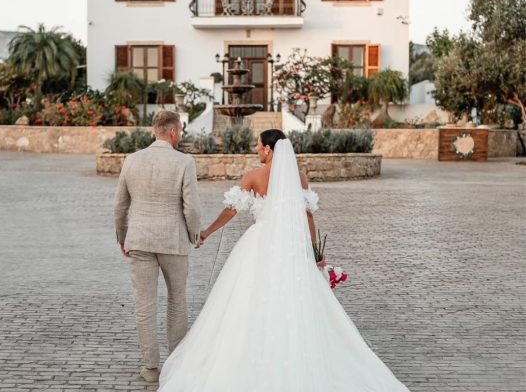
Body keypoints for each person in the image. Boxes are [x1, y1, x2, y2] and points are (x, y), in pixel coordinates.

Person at [157, 129, 410, 391]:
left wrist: (208, 232)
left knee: (247, 300)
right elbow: (308, 216)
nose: (256, 150)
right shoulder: (299, 177)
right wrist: (316, 252)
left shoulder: (254, 177)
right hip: (292, 247)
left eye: (258, 145)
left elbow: (232, 210)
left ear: (268, 149)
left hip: (259, 244)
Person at [114, 110, 201, 382]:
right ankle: (176, 363)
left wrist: (122, 237)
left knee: (144, 304)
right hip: (172, 241)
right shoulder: (184, 162)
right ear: (174, 131)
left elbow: (120, 206)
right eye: (181, 130)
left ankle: (151, 368)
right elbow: (192, 209)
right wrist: (193, 234)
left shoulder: (132, 160)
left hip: (139, 240)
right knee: (177, 300)